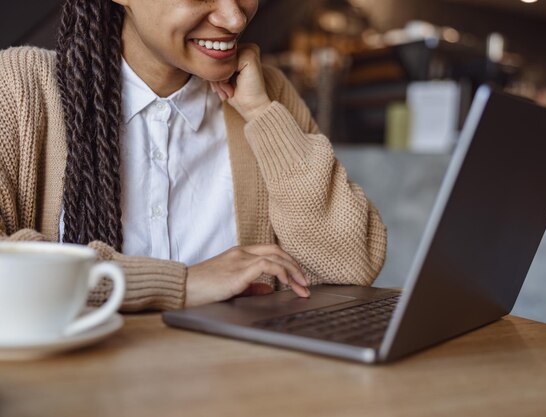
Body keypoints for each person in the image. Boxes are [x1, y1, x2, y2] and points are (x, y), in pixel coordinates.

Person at [0, 0, 387, 311]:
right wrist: (180, 283)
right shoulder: (22, 87)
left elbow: (350, 267)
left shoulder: (267, 94)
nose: (234, 17)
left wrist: (261, 115)